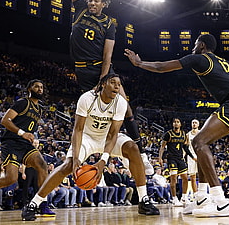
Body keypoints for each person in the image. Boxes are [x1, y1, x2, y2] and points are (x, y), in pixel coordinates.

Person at [125, 33, 229, 217]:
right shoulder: (227, 64)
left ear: (202, 45)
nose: (193, 47)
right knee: (202, 144)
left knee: (199, 142)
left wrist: (139, 63)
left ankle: (221, 201)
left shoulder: (199, 58)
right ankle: (202, 197)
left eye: (195, 44)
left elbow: (162, 67)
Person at [21, 74, 160, 221]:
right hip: (86, 137)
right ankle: (33, 204)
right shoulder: (87, 98)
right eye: (112, 82)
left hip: (107, 137)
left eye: (119, 84)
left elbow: (113, 134)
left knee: (132, 148)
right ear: (102, 85)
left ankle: (144, 200)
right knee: (67, 166)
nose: (117, 86)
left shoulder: (121, 102)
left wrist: (102, 161)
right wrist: (75, 158)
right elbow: (78, 129)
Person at [69, 0, 153, 176]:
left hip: (101, 68)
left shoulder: (109, 23)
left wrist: (104, 78)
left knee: (125, 106)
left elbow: (108, 54)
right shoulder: (79, 11)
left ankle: (142, 155)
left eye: (96, 0)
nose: (92, 2)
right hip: (81, 70)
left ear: (104, 3)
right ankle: (84, 150)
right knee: (89, 111)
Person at [0, 80, 49, 214]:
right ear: (30, 88)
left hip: (25, 145)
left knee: (42, 166)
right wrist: (22, 133)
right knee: (11, 178)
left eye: (41, 87)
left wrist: (30, 136)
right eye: (37, 87)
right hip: (12, 142)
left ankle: (42, 203)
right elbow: (5, 120)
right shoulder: (23, 102)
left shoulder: (39, 109)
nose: (40, 89)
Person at [158, 118, 195, 206]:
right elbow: (162, 147)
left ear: (180, 124)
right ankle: (174, 199)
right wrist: (160, 158)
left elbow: (186, 148)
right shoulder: (168, 134)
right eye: (174, 122)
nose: (176, 123)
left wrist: (193, 157)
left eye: (178, 122)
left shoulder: (184, 134)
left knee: (185, 178)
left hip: (180, 158)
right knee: (173, 178)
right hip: (171, 158)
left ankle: (184, 198)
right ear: (172, 124)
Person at [186, 119, 200, 200]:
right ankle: (195, 195)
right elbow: (185, 148)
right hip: (191, 157)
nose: (194, 124)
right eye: (193, 123)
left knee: (202, 175)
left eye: (195, 123)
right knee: (192, 177)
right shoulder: (188, 135)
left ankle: (202, 192)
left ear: (198, 125)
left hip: (200, 155)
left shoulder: (201, 133)